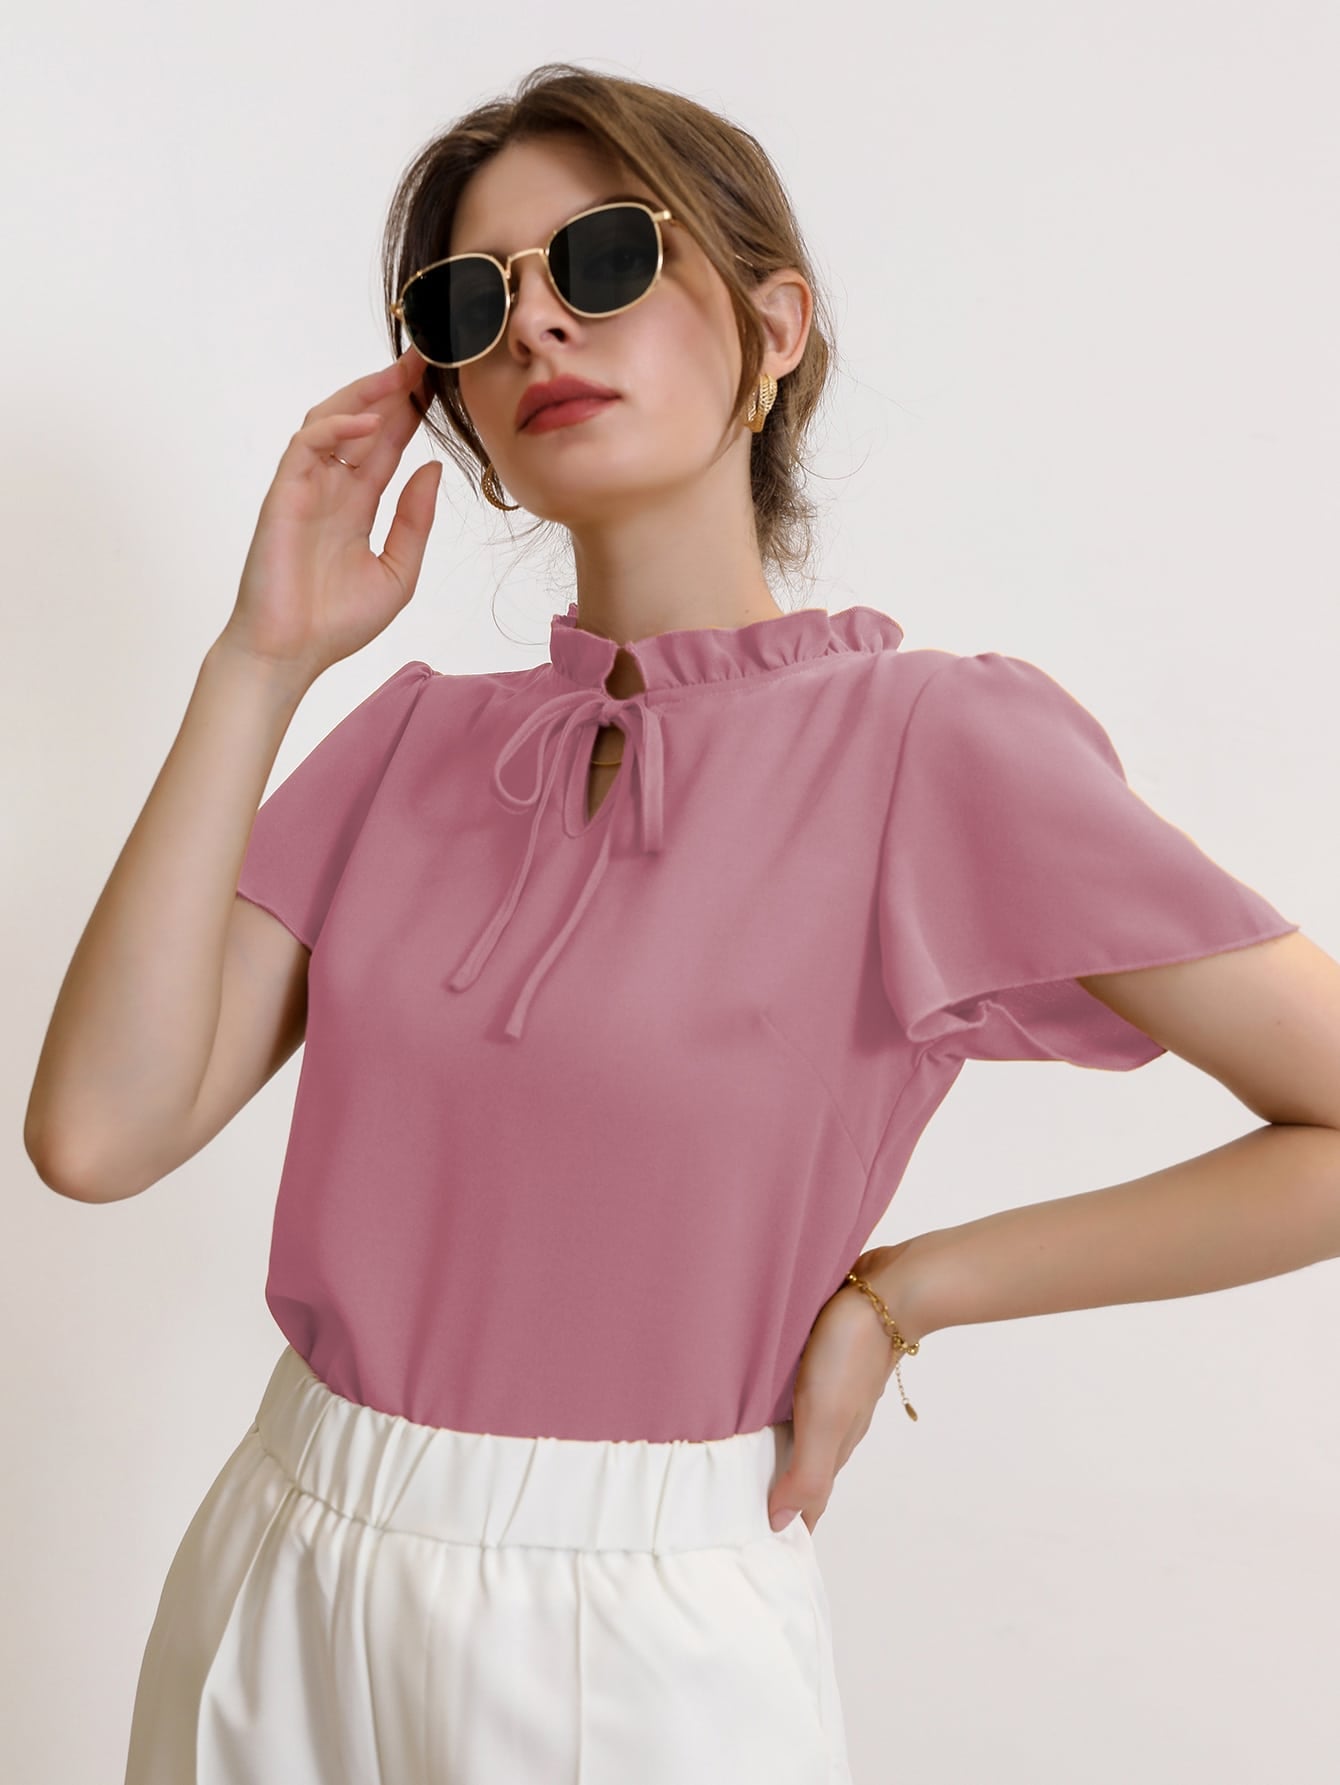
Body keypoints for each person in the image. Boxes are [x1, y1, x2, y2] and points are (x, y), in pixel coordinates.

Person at [24, 62, 1306, 1785]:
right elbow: (95, 1135)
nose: (537, 325)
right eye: (473, 304)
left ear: (774, 329)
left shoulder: (929, 747)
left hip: (629, 1624)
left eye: (605, 259)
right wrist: (260, 661)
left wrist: (909, 1291)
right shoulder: (406, 745)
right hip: (283, 1561)